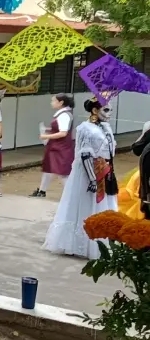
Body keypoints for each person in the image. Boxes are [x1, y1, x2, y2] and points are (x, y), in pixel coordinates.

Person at [45, 98, 118, 259]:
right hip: (87, 173)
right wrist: (92, 179)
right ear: (94, 110)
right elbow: (84, 154)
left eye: (110, 110)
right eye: (106, 110)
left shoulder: (105, 127)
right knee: (85, 204)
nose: (109, 114)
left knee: (103, 206)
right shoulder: (85, 128)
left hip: (104, 170)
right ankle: (79, 244)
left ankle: (102, 243)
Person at [31, 94, 76, 198]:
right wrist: (48, 130)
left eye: (54, 101)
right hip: (56, 146)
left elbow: (63, 133)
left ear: (61, 102)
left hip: (61, 147)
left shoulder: (64, 115)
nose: (52, 103)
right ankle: (42, 191)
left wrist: (46, 136)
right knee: (49, 168)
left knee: (62, 172)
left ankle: (70, 196)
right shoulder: (62, 114)